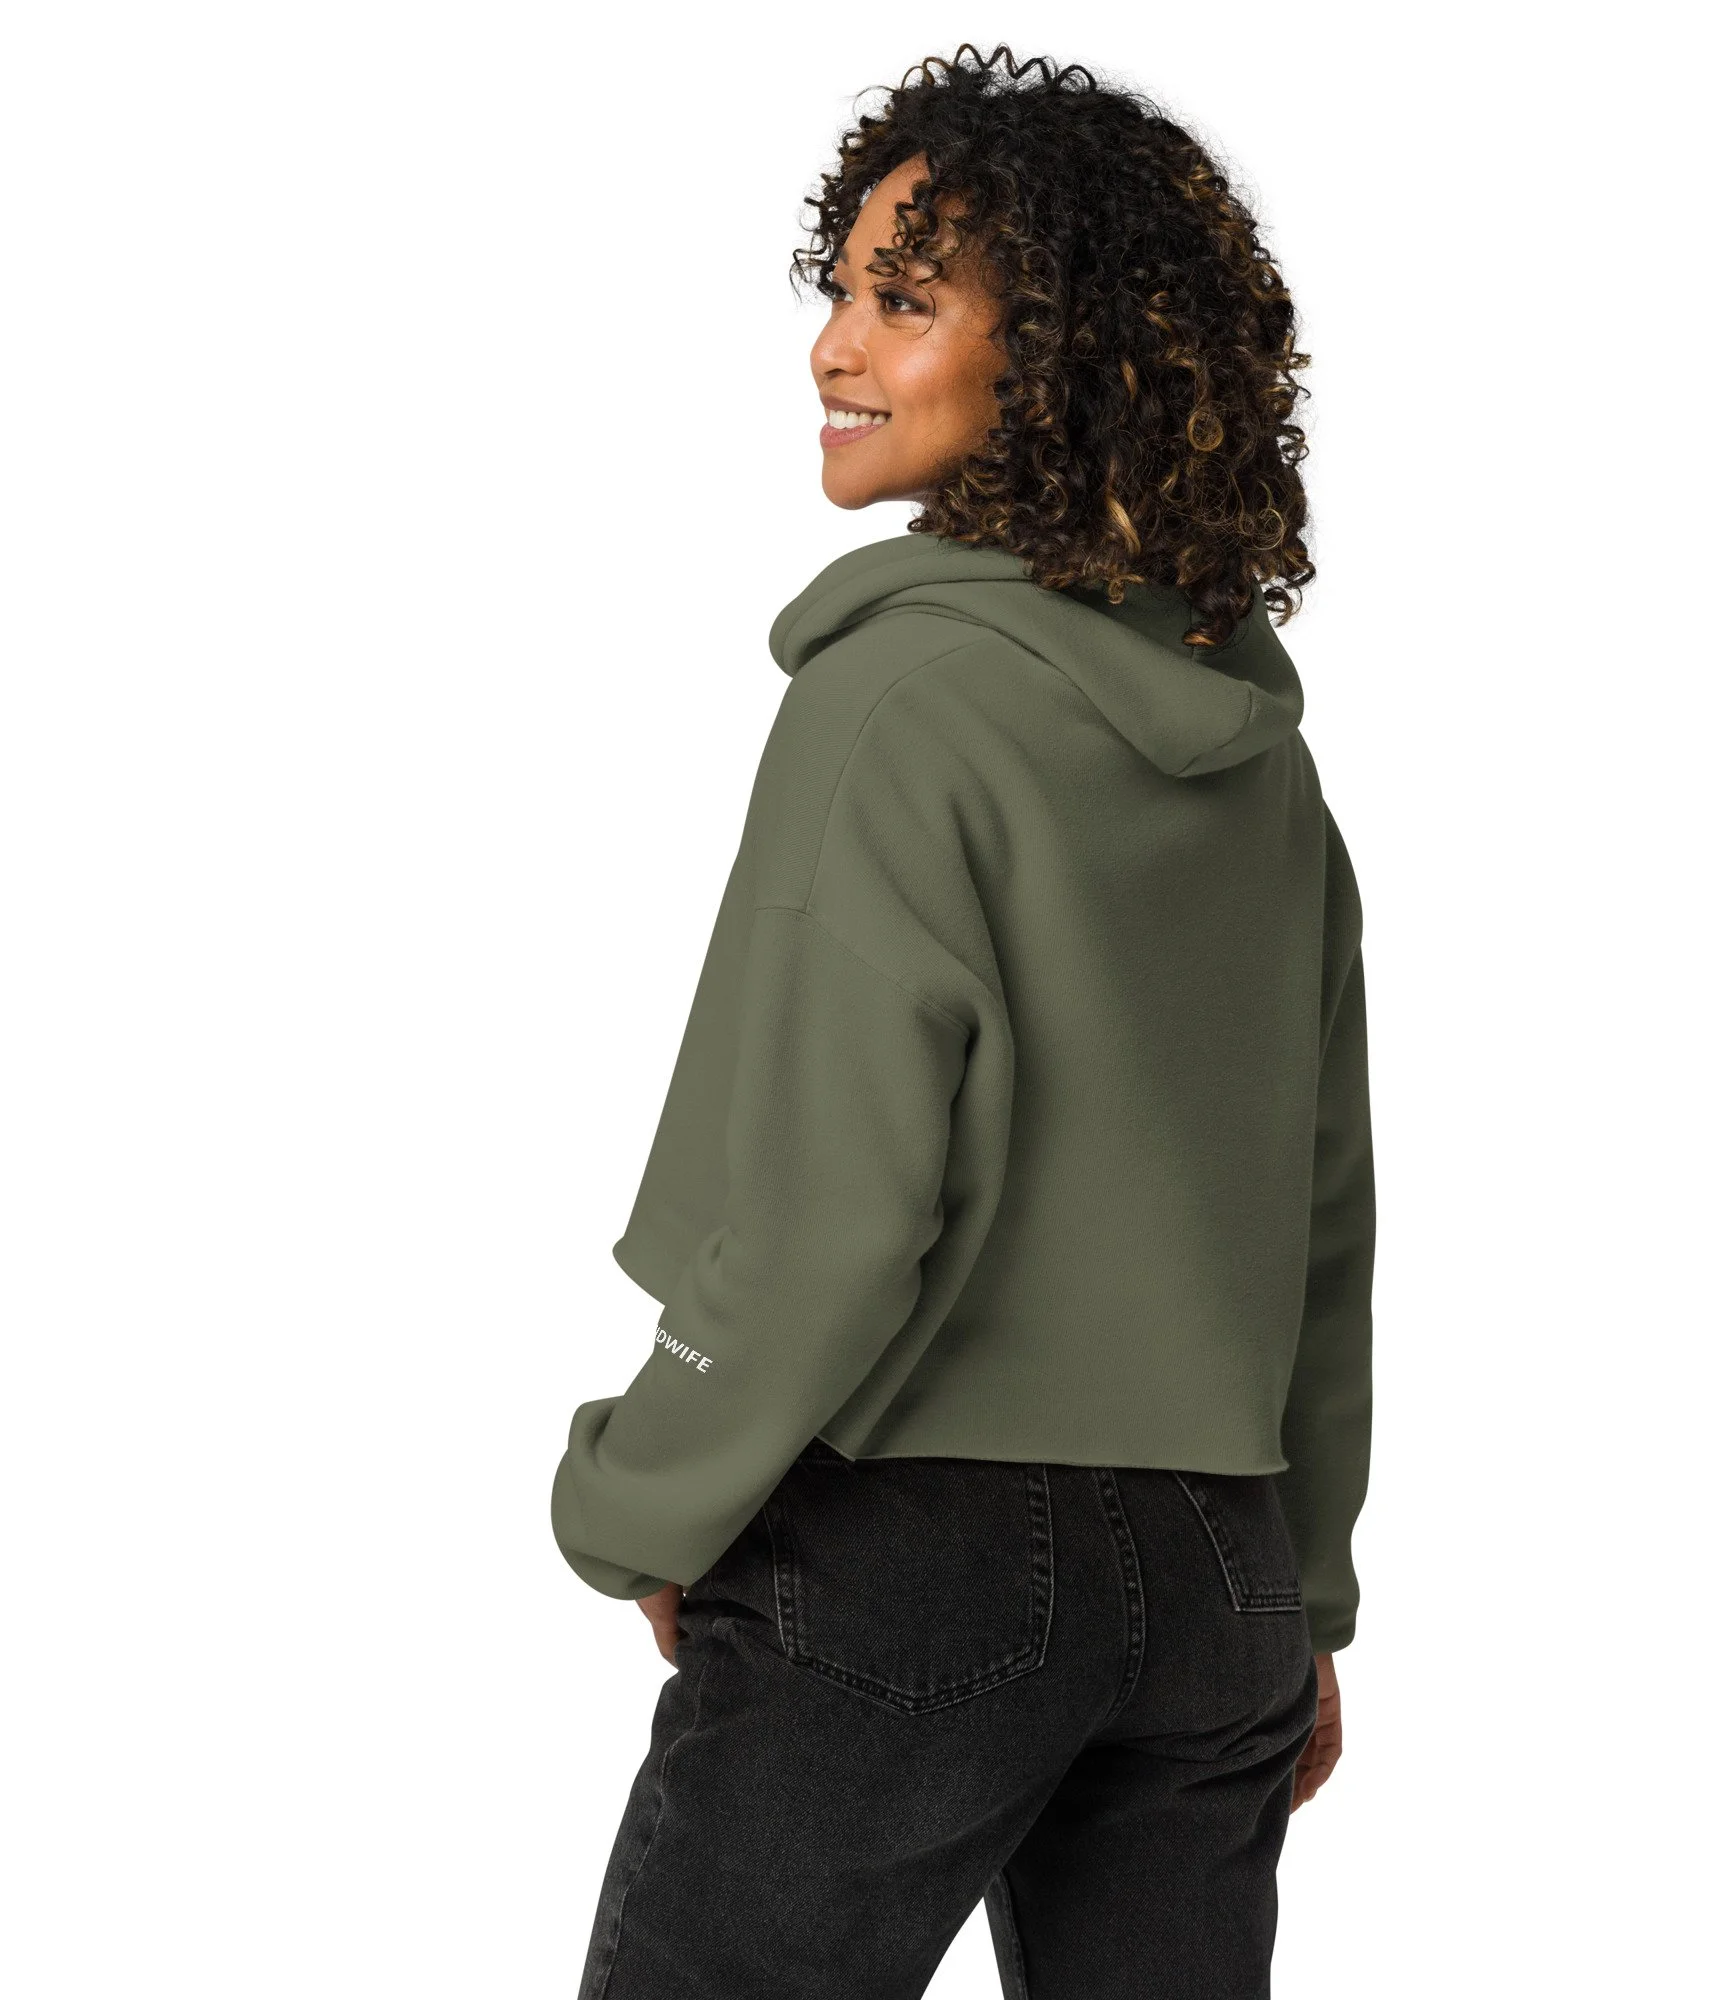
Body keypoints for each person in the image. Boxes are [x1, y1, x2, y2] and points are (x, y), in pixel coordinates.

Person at [550, 44, 1374, 2000]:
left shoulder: (897, 706)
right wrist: (1300, 1594)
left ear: (1063, 354)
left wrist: (645, 1492)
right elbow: (1319, 1224)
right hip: (1220, 1576)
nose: (834, 347)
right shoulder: (1263, 773)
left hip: (913, 1552)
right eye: (840, 289)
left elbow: (834, 1209)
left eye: (904, 300)